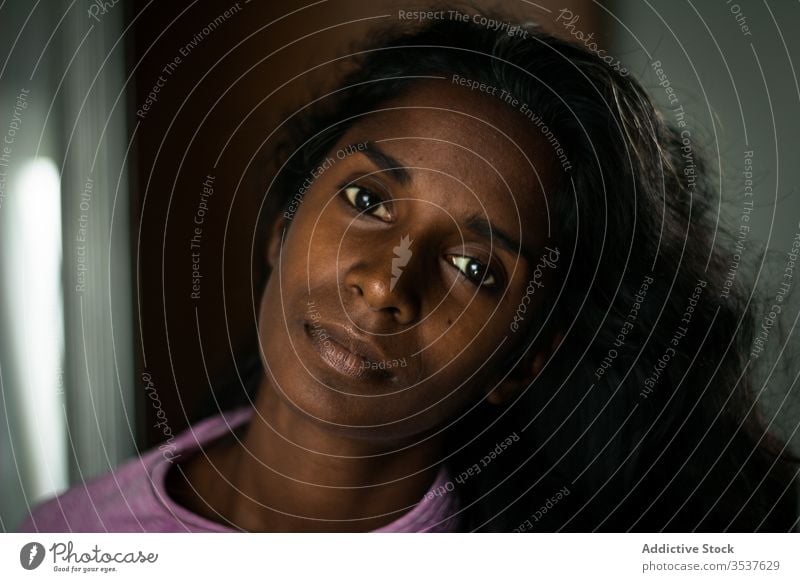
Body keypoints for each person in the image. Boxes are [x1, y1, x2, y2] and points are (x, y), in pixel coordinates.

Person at [20, 10, 799, 533]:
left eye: (473, 265)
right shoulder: (64, 535)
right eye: (366, 197)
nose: (387, 284)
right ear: (283, 225)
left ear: (525, 358)